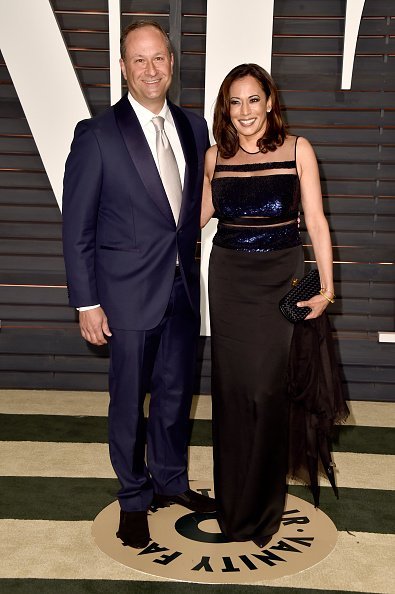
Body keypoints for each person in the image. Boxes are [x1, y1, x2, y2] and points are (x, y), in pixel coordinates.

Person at [62, 21, 215, 550]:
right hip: (124, 297)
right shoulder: (98, 134)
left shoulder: (195, 129)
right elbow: (77, 226)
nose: (152, 70)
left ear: (172, 62)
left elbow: (189, 211)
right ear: (123, 68)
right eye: (139, 60)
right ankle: (133, 497)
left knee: (175, 394)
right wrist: (87, 301)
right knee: (128, 401)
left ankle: (170, 480)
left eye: (159, 59)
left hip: (182, 290)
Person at [201, 63, 334, 548]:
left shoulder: (299, 150)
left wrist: (326, 289)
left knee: (267, 391)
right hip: (230, 278)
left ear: (270, 101)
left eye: (253, 100)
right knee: (233, 393)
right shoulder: (215, 158)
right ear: (225, 108)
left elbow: (316, 223)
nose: (245, 112)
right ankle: (235, 508)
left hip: (281, 277)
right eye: (234, 102)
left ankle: (264, 507)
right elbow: (189, 220)